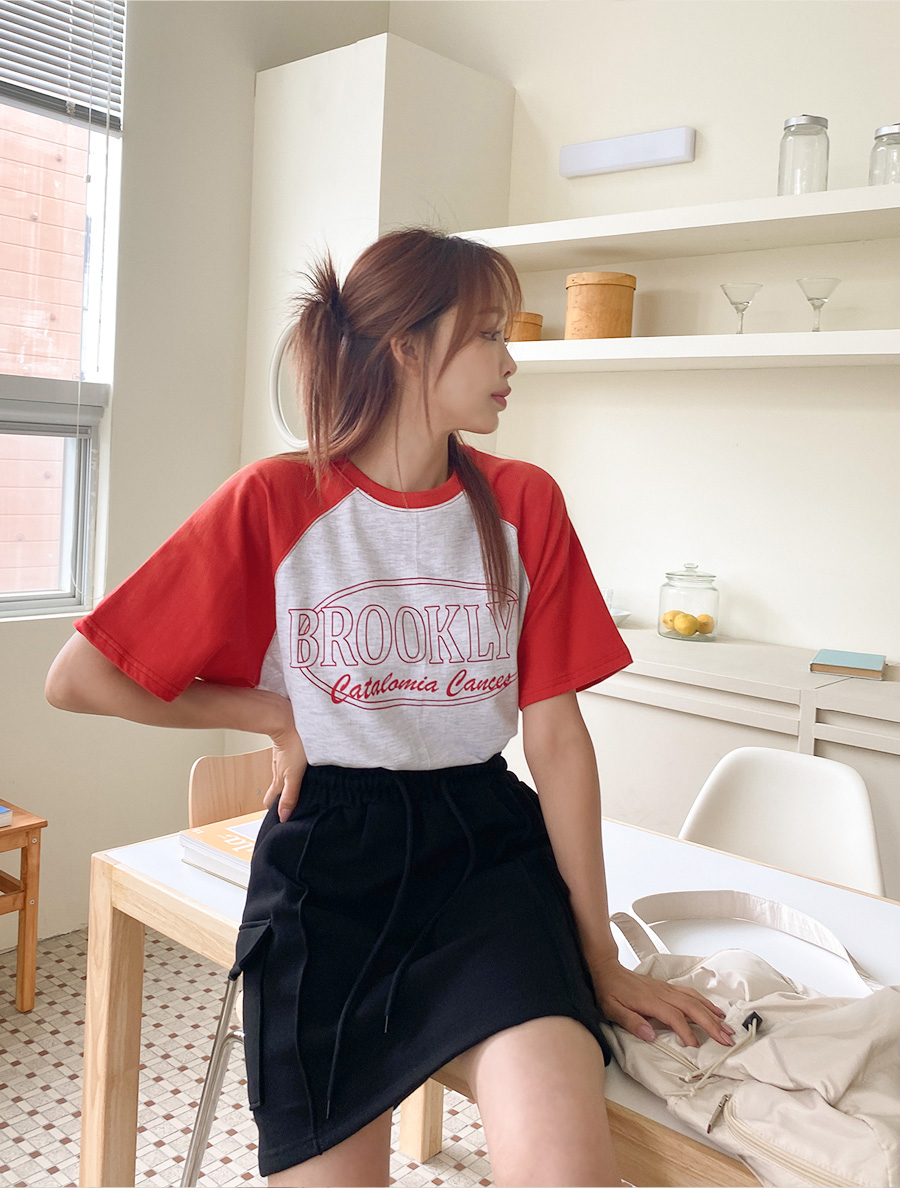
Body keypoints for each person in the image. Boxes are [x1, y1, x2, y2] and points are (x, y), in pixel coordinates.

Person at [46, 226, 734, 1188]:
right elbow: (80, 677)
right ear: (408, 347)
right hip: (328, 874)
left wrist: (600, 955)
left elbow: (559, 743)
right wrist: (274, 715)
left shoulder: (526, 503)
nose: (510, 362)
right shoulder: (277, 499)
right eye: (488, 334)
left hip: (487, 862)